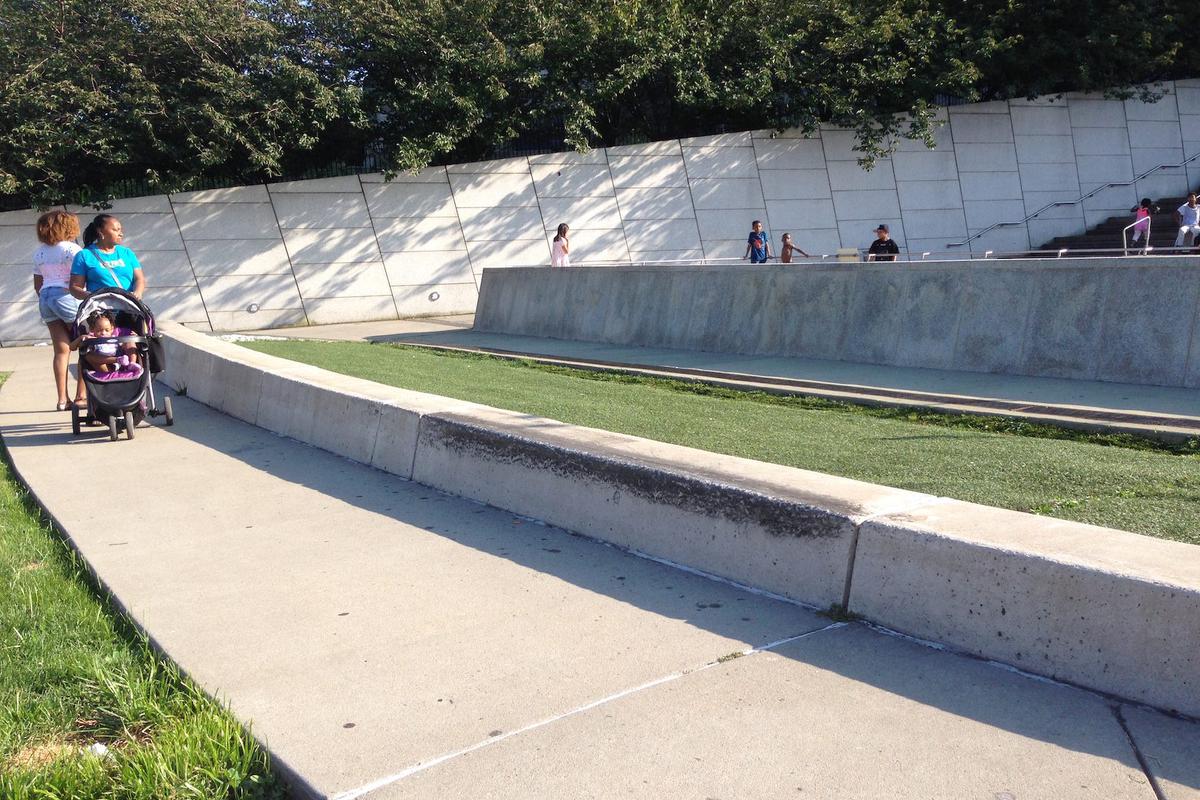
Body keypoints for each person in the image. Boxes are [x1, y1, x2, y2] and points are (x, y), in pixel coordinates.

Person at [32, 211, 85, 410]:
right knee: (88, 343)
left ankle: (62, 399)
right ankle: (82, 395)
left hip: (46, 297)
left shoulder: (39, 253)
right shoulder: (72, 249)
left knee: (61, 350)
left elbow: (38, 284)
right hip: (66, 295)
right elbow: (78, 277)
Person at [69, 214, 146, 299]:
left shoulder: (127, 253)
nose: (121, 234)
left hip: (128, 307)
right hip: (101, 309)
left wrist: (137, 293)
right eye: (115, 230)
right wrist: (93, 297)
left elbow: (139, 279)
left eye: (120, 230)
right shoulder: (84, 255)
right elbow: (75, 287)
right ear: (100, 231)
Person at [70, 311, 137, 374]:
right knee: (88, 356)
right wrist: (81, 337)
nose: (103, 333)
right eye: (99, 330)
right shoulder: (91, 338)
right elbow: (72, 347)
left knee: (130, 341)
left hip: (123, 363)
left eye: (107, 330)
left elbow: (130, 336)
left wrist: (134, 336)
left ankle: (132, 363)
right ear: (92, 329)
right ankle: (117, 360)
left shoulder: (116, 334)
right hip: (105, 367)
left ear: (112, 329)